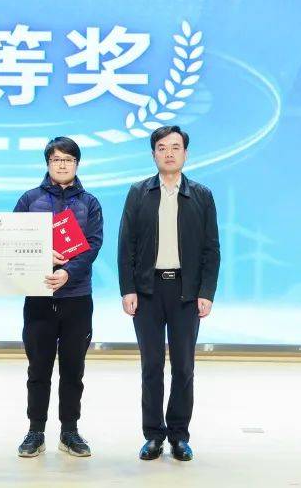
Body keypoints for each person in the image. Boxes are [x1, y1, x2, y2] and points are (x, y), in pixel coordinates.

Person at [117, 126, 220, 462]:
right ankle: (153, 435)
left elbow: (211, 249)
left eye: (176, 147)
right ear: (153, 154)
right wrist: (128, 289)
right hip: (147, 290)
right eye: (162, 147)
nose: (169, 153)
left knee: (184, 367)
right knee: (151, 366)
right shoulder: (138, 192)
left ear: (186, 153)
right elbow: (126, 245)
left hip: (186, 292)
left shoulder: (201, 195)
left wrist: (206, 291)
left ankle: (179, 435)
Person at [13, 136, 104, 458]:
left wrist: (68, 272)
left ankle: (70, 431)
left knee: (73, 369)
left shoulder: (89, 203)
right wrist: (40, 257)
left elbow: (93, 244)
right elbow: (12, 240)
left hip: (77, 296)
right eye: (56, 159)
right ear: (47, 163)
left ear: (77, 164)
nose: (62, 165)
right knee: (38, 368)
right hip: (39, 296)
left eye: (68, 159)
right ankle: (35, 431)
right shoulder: (30, 199)